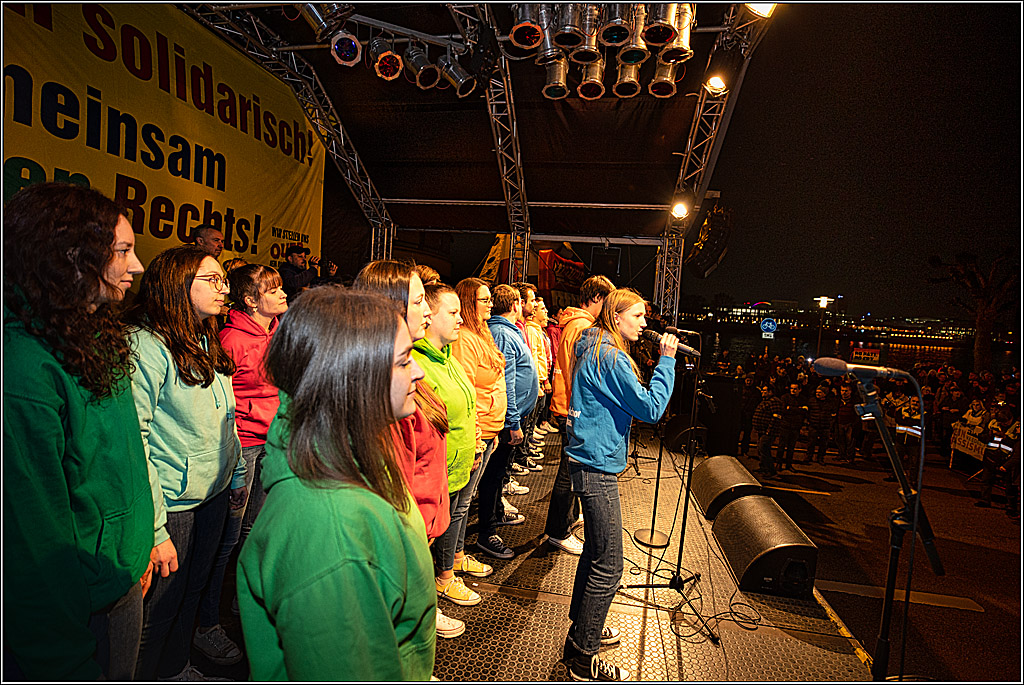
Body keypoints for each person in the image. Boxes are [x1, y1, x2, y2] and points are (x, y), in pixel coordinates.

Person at [237, 287, 436, 680]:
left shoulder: (350, 453)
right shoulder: (329, 530)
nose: (419, 371)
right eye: (402, 361)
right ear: (349, 377)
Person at [3, 183, 153, 681]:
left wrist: (139, 545)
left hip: (117, 580)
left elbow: (120, 462)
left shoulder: (95, 334)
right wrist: (62, 660)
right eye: (123, 251)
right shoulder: (23, 371)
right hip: (74, 614)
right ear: (70, 256)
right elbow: (31, 543)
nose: (136, 267)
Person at [126, 246, 247, 681]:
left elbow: (225, 413)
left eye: (223, 280)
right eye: (211, 280)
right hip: (173, 504)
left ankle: (177, 668)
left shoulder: (205, 334)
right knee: (159, 610)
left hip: (212, 494)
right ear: (178, 285)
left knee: (192, 594)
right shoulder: (145, 343)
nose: (224, 288)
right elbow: (134, 439)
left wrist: (234, 472)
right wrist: (155, 527)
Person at [561, 289, 677, 681]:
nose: (645, 324)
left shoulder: (594, 345)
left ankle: (581, 632)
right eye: (639, 316)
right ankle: (583, 656)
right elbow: (650, 408)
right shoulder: (610, 355)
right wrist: (667, 362)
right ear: (617, 314)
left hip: (588, 458)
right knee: (609, 567)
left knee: (595, 553)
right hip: (595, 466)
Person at [190, 264, 288, 665]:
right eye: (273, 288)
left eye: (282, 286)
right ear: (250, 299)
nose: (282, 294)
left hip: (272, 442)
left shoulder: (278, 330)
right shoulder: (230, 339)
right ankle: (206, 623)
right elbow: (220, 401)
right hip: (243, 448)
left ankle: (242, 601)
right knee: (226, 539)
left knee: (256, 530)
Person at [354, 261, 454, 629]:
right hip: (399, 546)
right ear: (389, 306)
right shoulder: (386, 388)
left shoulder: (406, 367)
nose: (428, 309)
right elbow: (391, 495)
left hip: (417, 536)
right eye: (417, 302)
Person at [413, 284, 484, 635]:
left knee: (449, 528)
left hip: (458, 464)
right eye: (452, 313)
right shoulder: (419, 364)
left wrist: (476, 439)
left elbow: (465, 406)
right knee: (425, 548)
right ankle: (426, 608)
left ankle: (436, 592)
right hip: (435, 472)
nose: (460, 319)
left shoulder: (448, 356)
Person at [544, 275, 615, 556]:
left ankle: (567, 520)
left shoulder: (575, 323)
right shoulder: (583, 326)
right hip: (572, 406)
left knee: (570, 469)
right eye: (607, 302)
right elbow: (580, 374)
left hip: (568, 403)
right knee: (567, 472)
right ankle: (557, 531)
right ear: (596, 298)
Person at [474, 284, 538, 559]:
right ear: (514, 305)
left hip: (507, 418)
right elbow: (505, 381)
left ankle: (496, 515)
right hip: (501, 421)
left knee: (498, 474)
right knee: (492, 476)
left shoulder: (508, 331)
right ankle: (486, 533)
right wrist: (513, 421)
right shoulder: (501, 332)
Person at [450, 278, 511, 557]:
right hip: (478, 432)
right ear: (468, 303)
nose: (490, 304)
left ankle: (457, 556)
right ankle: (450, 563)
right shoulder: (464, 339)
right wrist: (477, 439)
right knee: (461, 504)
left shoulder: (482, 332)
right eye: (483, 300)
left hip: (489, 429)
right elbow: (467, 392)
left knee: (465, 501)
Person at [752, 385, 784, 477]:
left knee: (764, 449)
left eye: (764, 391)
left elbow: (776, 417)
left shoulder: (774, 402)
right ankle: (763, 467)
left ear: (771, 392)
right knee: (760, 449)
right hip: (761, 430)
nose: (762, 392)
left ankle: (770, 471)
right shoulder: (765, 401)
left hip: (768, 431)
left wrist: (769, 430)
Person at [777, 382, 808, 471]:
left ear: (799, 390)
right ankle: (779, 463)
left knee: (791, 447)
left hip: (795, 426)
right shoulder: (785, 397)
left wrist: (790, 408)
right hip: (785, 425)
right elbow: (783, 410)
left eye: (795, 389)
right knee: (781, 446)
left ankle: (788, 464)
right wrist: (799, 409)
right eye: (791, 388)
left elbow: (805, 411)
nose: (793, 390)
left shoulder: (803, 399)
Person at [805, 384, 837, 464]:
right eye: (817, 392)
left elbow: (833, 412)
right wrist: (809, 420)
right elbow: (808, 412)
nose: (817, 394)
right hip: (814, 425)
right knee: (811, 443)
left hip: (825, 426)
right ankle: (809, 457)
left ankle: (820, 458)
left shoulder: (829, 403)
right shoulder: (812, 401)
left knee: (823, 444)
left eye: (820, 392)